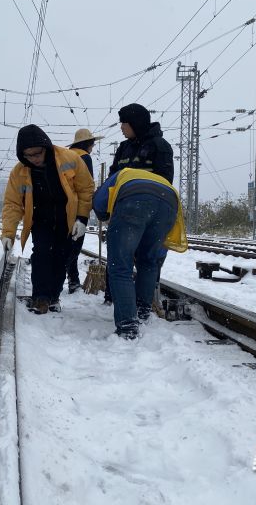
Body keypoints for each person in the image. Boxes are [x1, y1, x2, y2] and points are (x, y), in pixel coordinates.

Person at [1, 124, 95, 314]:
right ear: (22, 155)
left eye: (38, 153)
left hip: (65, 217)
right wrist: (8, 233)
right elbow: (12, 204)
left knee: (61, 256)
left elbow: (86, 189)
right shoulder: (19, 172)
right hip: (40, 219)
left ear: (45, 147)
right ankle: (41, 297)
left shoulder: (70, 159)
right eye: (29, 155)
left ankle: (54, 297)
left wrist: (82, 219)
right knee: (42, 252)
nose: (35, 159)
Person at [93, 168, 187, 339]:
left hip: (133, 200)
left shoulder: (118, 175)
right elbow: (156, 253)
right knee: (149, 262)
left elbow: (99, 203)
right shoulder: (147, 176)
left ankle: (128, 325)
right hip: (169, 203)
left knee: (120, 266)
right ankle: (142, 312)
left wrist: (106, 216)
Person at [103, 103, 174, 305]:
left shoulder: (160, 146)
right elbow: (113, 178)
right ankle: (113, 298)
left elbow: (165, 181)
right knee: (119, 255)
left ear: (135, 123)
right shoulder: (124, 147)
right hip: (123, 210)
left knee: (146, 260)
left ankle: (143, 307)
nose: (121, 127)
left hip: (150, 211)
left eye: (124, 123)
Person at [64, 128, 103, 293]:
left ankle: (73, 280)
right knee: (74, 246)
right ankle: (59, 278)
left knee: (65, 244)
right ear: (87, 144)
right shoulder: (84, 158)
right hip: (77, 206)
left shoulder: (66, 156)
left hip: (62, 206)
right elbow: (86, 185)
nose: (93, 147)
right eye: (92, 144)